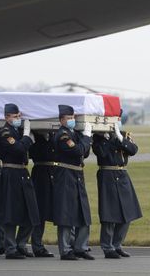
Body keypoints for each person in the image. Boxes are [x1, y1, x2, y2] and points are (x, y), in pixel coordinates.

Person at [92, 120, 142, 259]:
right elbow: (101, 153)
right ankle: (107, 247)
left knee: (128, 213)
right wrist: (111, 139)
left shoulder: (124, 135)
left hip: (122, 174)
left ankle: (117, 244)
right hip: (107, 175)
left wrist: (119, 137)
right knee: (109, 214)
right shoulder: (97, 138)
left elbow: (133, 150)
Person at [0, 103, 40, 259]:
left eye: (19, 116)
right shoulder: (5, 133)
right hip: (10, 174)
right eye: (15, 117)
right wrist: (27, 137)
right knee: (11, 213)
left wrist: (27, 136)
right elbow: (19, 149)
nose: (18, 119)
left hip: (22, 172)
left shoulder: (17, 131)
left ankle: (21, 244)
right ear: (6, 117)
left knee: (31, 211)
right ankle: (10, 248)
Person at [52, 105, 94, 260]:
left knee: (82, 211)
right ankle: (65, 250)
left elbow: (85, 152)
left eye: (73, 117)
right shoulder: (62, 135)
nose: (72, 120)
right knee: (66, 213)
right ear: (61, 120)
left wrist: (85, 138)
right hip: (65, 175)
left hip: (76, 174)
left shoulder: (74, 134)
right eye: (69, 118)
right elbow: (78, 151)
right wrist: (87, 138)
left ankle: (80, 247)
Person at [29, 131, 56, 257]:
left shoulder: (55, 135)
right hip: (40, 175)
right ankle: (37, 245)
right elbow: (32, 153)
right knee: (39, 212)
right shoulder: (35, 137)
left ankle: (70, 243)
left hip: (54, 174)